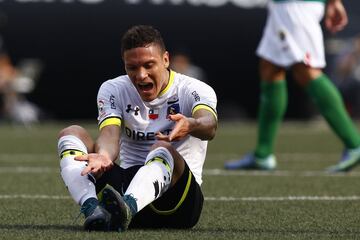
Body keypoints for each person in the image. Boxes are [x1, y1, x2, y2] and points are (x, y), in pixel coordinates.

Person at [57, 25, 218, 232]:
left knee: (162, 147)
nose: (141, 75)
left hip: (177, 203)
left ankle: (127, 208)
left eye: (149, 65)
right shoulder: (113, 89)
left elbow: (209, 125)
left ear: (166, 60)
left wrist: (191, 124)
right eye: (132, 68)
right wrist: (104, 156)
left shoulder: (194, 89)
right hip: (124, 191)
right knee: (71, 134)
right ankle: (92, 210)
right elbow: (109, 134)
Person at [224, 0, 360, 172]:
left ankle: (354, 143)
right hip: (282, 7)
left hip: (296, 7)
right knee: (270, 68)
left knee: (306, 71)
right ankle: (263, 154)